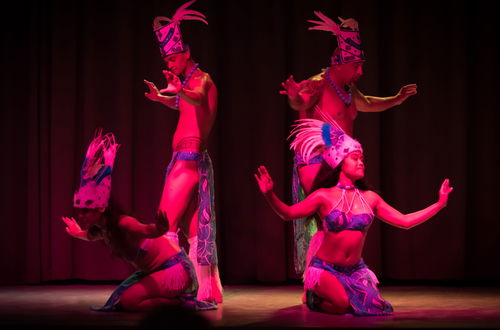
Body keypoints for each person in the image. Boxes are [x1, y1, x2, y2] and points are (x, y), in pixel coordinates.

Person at [254, 119, 453, 315]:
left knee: (374, 307)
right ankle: (313, 296)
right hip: (325, 269)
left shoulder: (371, 198)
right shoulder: (324, 195)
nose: (360, 162)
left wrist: (439, 204)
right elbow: (288, 214)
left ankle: (344, 294)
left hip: (356, 270)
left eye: (362, 159)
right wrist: (269, 194)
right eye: (355, 158)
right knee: (341, 305)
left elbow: (405, 221)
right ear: (340, 162)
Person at [280, 12, 418, 274]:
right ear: (340, 63)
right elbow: (300, 102)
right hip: (316, 160)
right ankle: (318, 278)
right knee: (325, 220)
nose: (361, 72)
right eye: (356, 66)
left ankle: (331, 275)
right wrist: (293, 97)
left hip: (340, 161)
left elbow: (368, 103)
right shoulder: (318, 84)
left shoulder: (349, 92)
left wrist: (396, 99)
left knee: (337, 221)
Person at [61, 130, 216, 312]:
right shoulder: (103, 228)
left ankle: (181, 304)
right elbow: (91, 236)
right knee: (125, 300)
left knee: (129, 301)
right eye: (80, 212)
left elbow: (146, 230)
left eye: (86, 212)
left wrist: (159, 228)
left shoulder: (124, 223)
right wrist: (78, 233)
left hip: (175, 271)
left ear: (101, 208)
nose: (81, 216)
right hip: (158, 272)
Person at [143, 0, 222, 303]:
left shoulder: (201, 79)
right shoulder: (186, 82)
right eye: (167, 59)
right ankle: (204, 289)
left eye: (174, 58)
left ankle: (168, 285)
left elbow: (197, 98)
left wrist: (180, 89)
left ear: (186, 53)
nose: (170, 64)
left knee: (165, 225)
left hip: (188, 160)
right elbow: (183, 103)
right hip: (187, 160)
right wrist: (161, 98)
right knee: (193, 230)